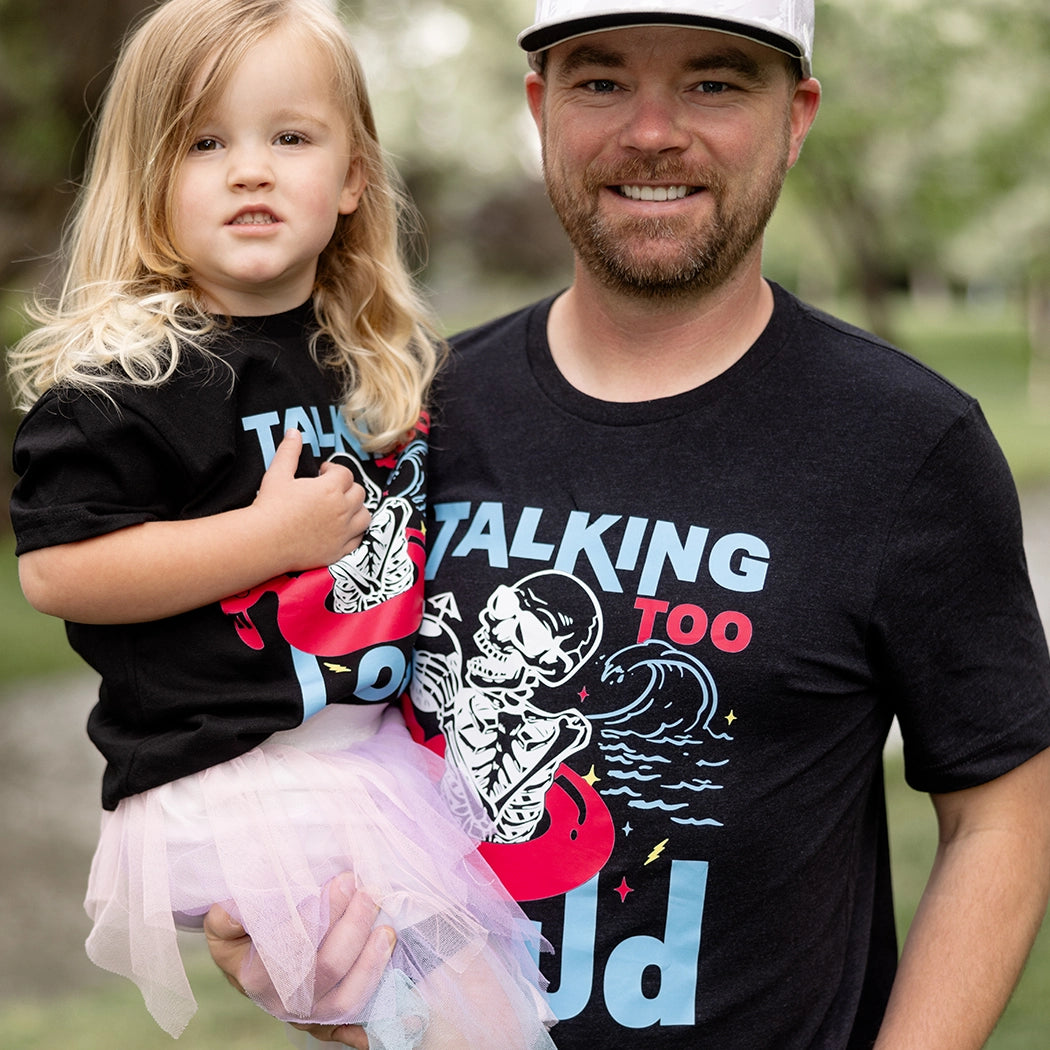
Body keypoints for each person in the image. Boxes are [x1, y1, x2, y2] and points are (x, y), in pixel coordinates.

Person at [205, 0, 1050, 1047]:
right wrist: (315, 971)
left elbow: (1001, 814)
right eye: (601, 81)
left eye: (715, 81)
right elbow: (328, 745)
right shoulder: (401, 416)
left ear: (796, 117)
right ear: (540, 110)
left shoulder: (907, 447)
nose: (652, 132)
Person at [6, 1, 557, 1047]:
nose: (249, 169)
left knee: (489, 1013)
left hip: (370, 760)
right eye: (204, 143)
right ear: (148, 180)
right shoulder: (134, 374)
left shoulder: (374, 360)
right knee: (458, 1023)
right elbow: (62, 572)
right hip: (242, 774)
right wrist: (269, 542)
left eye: (290, 138)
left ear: (354, 179)